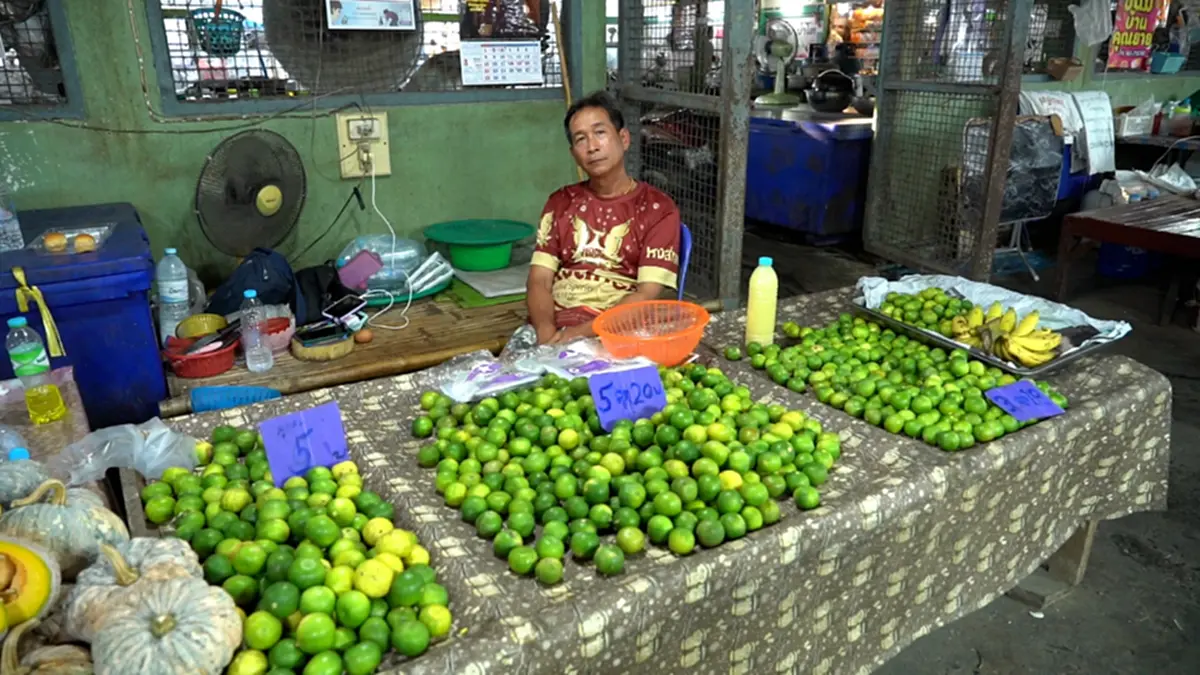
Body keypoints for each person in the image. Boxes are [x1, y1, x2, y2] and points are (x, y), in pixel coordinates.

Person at [526, 91, 682, 345]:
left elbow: (646, 295)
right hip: (555, 327)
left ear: (624, 138)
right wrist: (545, 333)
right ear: (573, 153)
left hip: (615, 332)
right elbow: (539, 279)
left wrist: (575, 335)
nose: (592, 147)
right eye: (581, 139)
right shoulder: (561, 202)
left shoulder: (658, 209)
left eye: (600, 133)